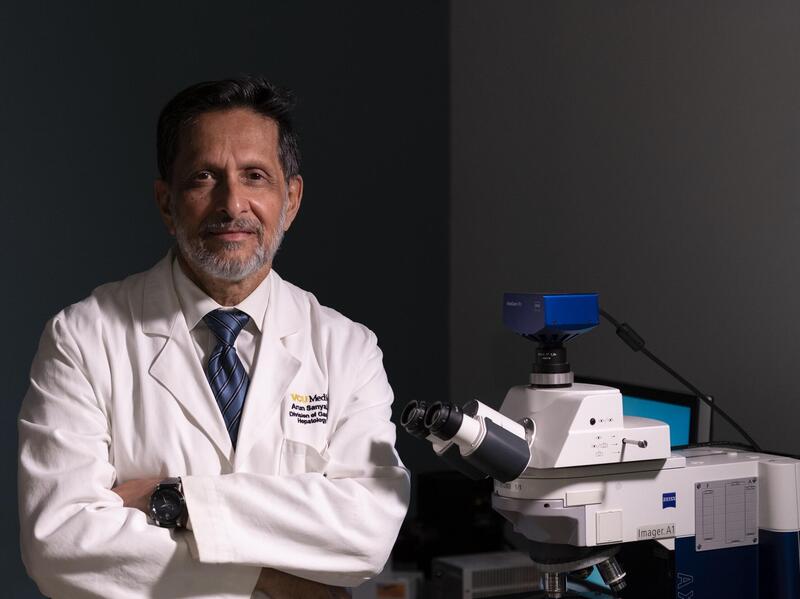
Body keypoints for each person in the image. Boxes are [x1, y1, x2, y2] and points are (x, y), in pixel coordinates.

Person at [18, 76, 410, 599]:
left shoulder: (347, 349)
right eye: (204, 177)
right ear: (166, 202)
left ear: (289, 200)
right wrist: (266, 577)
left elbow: (367, 532)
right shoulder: (83, 337)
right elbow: (60, 542)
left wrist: (176, 500)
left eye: (255, 176)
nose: (232, 203)